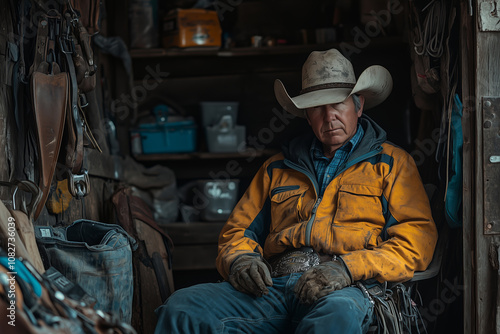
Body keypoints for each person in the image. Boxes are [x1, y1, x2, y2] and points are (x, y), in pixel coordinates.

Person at [155, 48, 438, 334]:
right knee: (182, 308)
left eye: (338, 104)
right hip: (272, 288)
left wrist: (348, 268)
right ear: (306, 114)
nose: (329, 117)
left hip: (345, 289)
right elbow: (237, 232)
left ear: (359, 105)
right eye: (317, 107)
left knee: (336, 317)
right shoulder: (276, 168)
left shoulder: (392, 164)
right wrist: (241, 260)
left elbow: (417, 241)